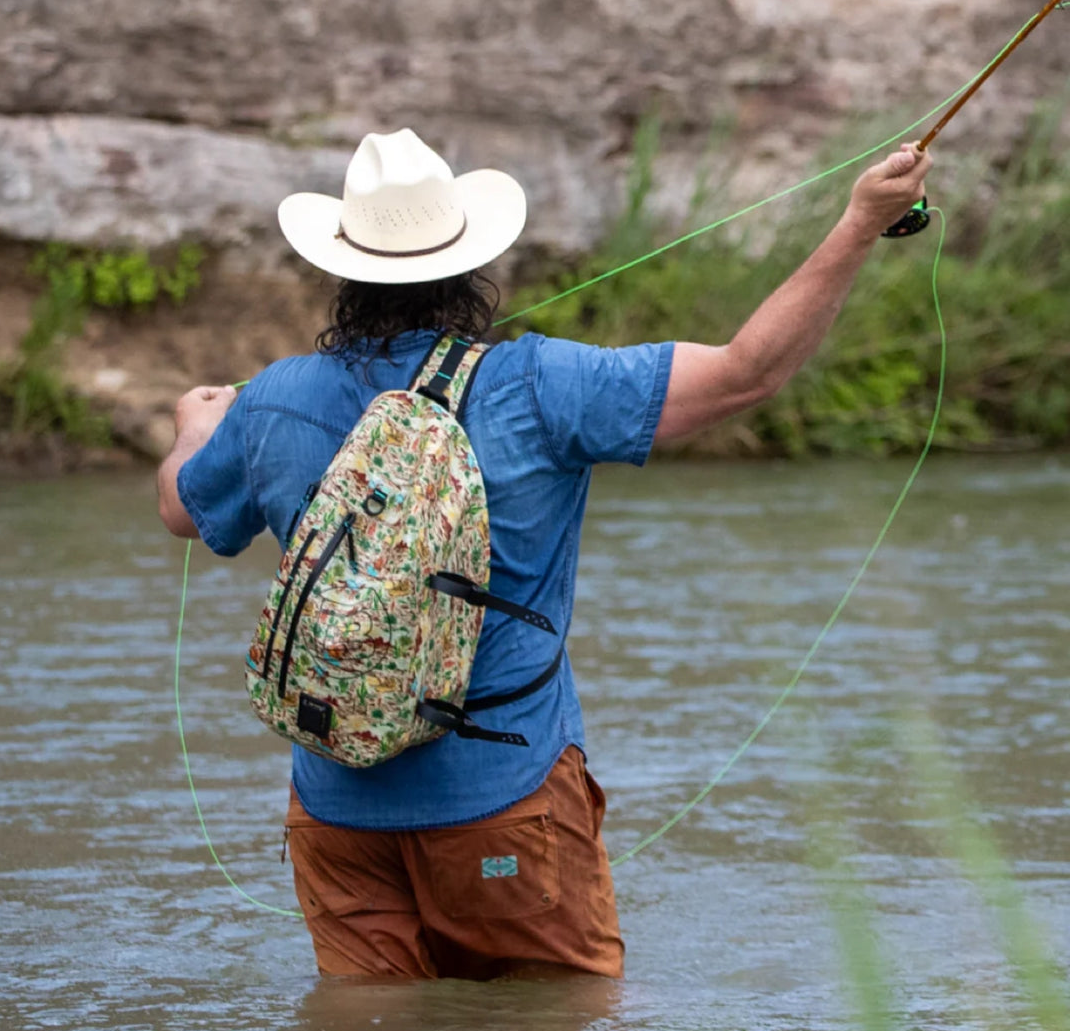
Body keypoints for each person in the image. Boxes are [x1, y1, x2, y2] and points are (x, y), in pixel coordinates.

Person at [157, 127, 932, 981]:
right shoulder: (540, 384)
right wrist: (860, 223)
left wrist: (196, 427)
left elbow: (183, 510)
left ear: (343, 272)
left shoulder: (271, 399)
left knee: (367, 1027)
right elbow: (747, 373)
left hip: (336, 809)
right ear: (469, 268)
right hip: (504, 799)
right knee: (561, 1024)